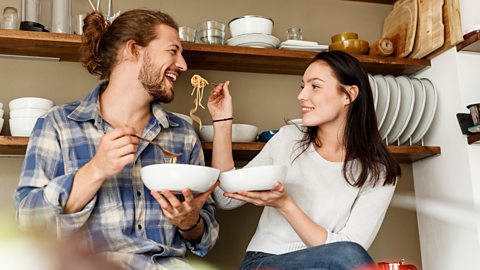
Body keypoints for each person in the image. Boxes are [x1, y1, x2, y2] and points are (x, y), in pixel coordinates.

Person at [13, 9, 219, 270]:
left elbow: (206, 238)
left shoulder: (182, 133)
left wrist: (190, 222)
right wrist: (96, 169)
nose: (183, 65)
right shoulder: (58, 124)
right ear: (133, 49)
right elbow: (28, 222)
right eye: (172, 51)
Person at [207, 50, 401, 270]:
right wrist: (222, 121)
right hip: (264, 262)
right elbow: (226, 198)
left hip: (330, 264)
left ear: (349, 95)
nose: (301, 96)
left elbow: (349, 253)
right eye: (303, 86)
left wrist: (285, 205)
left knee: (349, 252)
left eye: (315, 86)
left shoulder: (379, 171)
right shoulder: (288, 139)